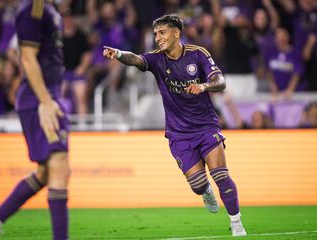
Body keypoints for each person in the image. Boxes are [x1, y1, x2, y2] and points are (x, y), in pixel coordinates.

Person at [103, 14, 247, 237]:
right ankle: (205, 191)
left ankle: (236, 222)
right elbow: (137, 59)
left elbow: (221, 82)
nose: (157, 38)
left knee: (221, 175)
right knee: (198, 184)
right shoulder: (157, 59)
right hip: (179, 133)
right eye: (155, 34)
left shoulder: (198, 54)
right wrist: (119, 54)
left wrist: (204, 86)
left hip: (206, 126)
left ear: (176, 33)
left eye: (162, 33)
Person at [0, 1, 70, 240]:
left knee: (47, 171)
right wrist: (44, 101)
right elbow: (27, 58)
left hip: (48, 96)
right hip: (39, 99)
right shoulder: (34, 8)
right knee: (59, 164)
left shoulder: (50, 9)